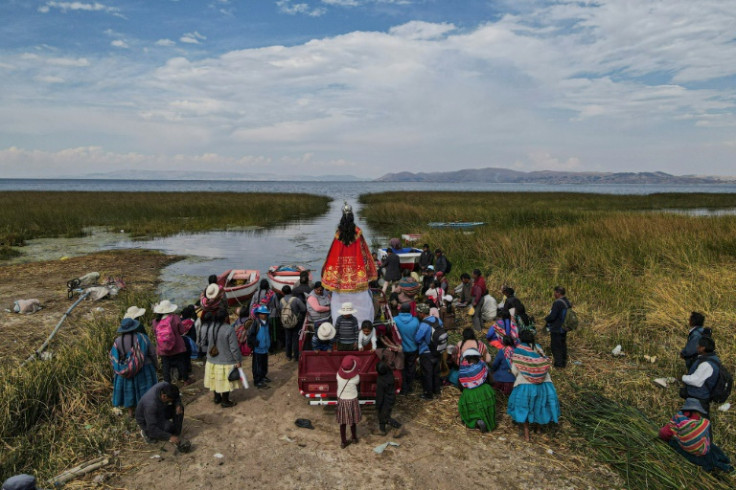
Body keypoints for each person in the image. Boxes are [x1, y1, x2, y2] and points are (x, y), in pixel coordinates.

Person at [507, 329, 560, 441]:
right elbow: (545, 362)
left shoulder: (519, 351)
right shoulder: (538, 348)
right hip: (544, 383)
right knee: (539, 406)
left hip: (525, 384)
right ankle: (538, 429)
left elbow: (514, 370)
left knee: (524, 407)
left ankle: (527, 435)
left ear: (520, 339)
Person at [659, 398, 733, 473]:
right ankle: (724, 464)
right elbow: (705, 437)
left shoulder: (677, 418)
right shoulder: (698, 422)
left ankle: (723, 463)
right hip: (691, 450)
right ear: (695, 411)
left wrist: (667, 438)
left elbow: (664, 432)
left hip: (688, 447)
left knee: (708, 454)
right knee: (710, 452)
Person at [111, 317, 159, 418]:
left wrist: (121, 369)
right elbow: (152, 353)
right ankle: (146, 412)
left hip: (126, 371)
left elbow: (114, 357)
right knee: (146, 391)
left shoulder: (118, 341)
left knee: (129, 391)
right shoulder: (143, 338)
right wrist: (156, 365)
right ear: (134, 327)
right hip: (144, 368)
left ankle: (130, 413)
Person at [203, 308, 242, 408]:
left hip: (211, 359)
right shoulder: (229, 329)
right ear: (225, 318)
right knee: (225, 381)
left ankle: (217, 398)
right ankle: (225, 401)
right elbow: (234, 348)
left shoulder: (210, 327)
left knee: (215, 379)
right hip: (225, 360)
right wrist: (238, 360)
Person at [136, 382, 189, 450]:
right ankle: (146, 433)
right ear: (164, 396)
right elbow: (152, 427)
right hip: (146, 420)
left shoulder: (165, 386)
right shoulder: (151, 405)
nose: (171, 401)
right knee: (168, 427)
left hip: (160, 409)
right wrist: (169, 437)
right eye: (170, 400)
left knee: (179, 409)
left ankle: (176, 434)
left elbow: (176, 396)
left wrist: (178, 404)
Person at [153, 300, 194, 385]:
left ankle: (167, 383)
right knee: (181, 362)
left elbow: (155, 334)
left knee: (165, 365)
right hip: (177, 346)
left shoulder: (155, 321)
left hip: (162, 348)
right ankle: (185, 380)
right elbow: (182, 331)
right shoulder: (175, 318)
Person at [680, 336, 721, 417]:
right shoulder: (711, 359)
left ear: (703, 348)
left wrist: (683, 378)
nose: (696, 346)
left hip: (699, 399)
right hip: (700, 398)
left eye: (698, 345)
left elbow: (696, 381)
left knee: (698, 423)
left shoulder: (706, 364)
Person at [457, 348, 496, 433]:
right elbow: (492, 381)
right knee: (487, 407)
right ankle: (488, 422)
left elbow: (460, 385)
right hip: (484, 390)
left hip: (469, 393)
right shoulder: (482, 365)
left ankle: (476, 421)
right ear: (478, 357)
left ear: (466, 358)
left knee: (469, 409)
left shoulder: (462, 369)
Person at [415, 303, 441, 400]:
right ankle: (436, 390)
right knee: (436, 371)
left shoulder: (424, 325)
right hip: (438, 350)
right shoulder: (438, 320)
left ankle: (428, 394)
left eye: (418, 313)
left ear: (422, 313)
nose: (417, 314)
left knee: (427, 373)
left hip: (426, 352)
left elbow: (417, 339)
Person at [336, 355, 361, 448]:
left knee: (342, 423)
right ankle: (354, 438)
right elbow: (357, 383)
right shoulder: (356, 378)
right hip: (352, 400)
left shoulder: (338, 375)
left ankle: (343, 442)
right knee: (353, 421)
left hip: (342, 400)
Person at [394, 303, 419, 394]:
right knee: (411, 368)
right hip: (412, 348)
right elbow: (418, 335)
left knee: (401, 368)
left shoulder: (395, 320)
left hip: (400, 350)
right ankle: (409, 386)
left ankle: (403, 387)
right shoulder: (415, 321)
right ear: (410, 310)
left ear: (400, 310)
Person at [544, 286, 572, 368]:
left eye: (555, 292)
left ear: (558, 293)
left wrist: (546, 318)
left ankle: (558, 365)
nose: (554, 294)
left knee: (556, 347)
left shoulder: (557, 303)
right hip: (564, 328)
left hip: (557, 328)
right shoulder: (567, 302)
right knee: (563, 345)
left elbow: (552, 316)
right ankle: (563, 363)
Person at [280, 285, 306, 362]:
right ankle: (296, 356)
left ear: (283, 292)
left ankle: (288, 355)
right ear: (290, 291)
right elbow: (303, 309)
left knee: (287, 338)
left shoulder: (281, 300)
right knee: (295, 339)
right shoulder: (296, 299)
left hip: (286, 321)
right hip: (296, 322)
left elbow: (279, 309)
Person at [249, 305, 272, 389]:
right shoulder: (256, 323)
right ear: (258, 314)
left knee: (264, 364)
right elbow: (251, 335)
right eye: (262, 314)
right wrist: (256, 343)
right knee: (257, 365)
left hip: (265, 347)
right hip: (258, 348)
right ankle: (257, 380)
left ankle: (263, 376)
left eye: (265, 314)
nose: (264, 315)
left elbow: (269, 333)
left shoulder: (268, 322)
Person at [375, 361, 401, 435]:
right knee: (381, 415)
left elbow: (380, 395)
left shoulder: (380, 381)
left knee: (385, 417)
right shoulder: (389, 374)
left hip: (385, 401)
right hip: (391, 398)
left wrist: (378, 405)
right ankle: (382, 430)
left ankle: (399, 426)